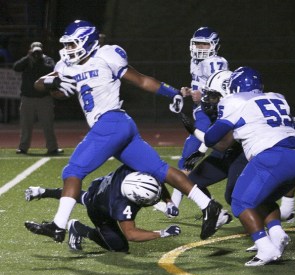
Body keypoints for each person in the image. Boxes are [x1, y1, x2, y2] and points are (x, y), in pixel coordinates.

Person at [26, 19, 225, 243]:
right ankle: (209, 205)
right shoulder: (65, 65)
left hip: (111, 122)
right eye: (67, 44)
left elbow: (141, 80)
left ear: (87, 42)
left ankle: (58, 225)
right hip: (120, 127)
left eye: (72, 44)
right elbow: (43, 86)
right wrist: (52, 85)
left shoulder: (107, 55)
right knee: (160, 170)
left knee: (73, 170)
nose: (68, 49)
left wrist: (172, 93)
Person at [185, 66, 295, 266]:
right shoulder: (276, 97)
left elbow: (212, 138)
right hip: (293, 152)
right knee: (265, 197)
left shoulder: (234, 101)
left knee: (239, 201)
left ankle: (265, 248)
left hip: (270, 155)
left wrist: (198, 131)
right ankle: (277, 234)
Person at [25, 165, 181, 251]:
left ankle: (43, 191)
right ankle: (79, 228)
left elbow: (155, 182)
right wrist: (162, 233)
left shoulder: (131, 170)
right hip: (99, 209)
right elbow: (131, 234)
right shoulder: (121, 205)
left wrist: (168, 201)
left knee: (84, 197)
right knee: (119, 247)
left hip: (99, 185)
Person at [168, 27, 229, 212]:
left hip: (212, 113)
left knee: (190, 152)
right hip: (201, 110)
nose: (200, 47)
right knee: (189, 155)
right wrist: (189, 91)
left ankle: (174, 204)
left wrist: (202, 95)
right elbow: (199, 84)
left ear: (214, 45)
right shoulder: (195, 61)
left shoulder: (216, 62)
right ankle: (176, 204)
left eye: (205, 43)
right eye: (197, 43)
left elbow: (221, 90)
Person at [12, 41, 64, 155]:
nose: (36, 53)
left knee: (47, 124)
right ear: (30, 50)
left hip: (44, 98)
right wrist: (28, 58)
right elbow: (16, 67)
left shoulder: (47, 60)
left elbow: (51, 69)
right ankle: (23, 147)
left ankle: (52, 147)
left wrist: (39, 60)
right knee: (26, 125)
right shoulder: (26, 60)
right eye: (34, 51)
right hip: (27, 98)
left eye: (38, 51)